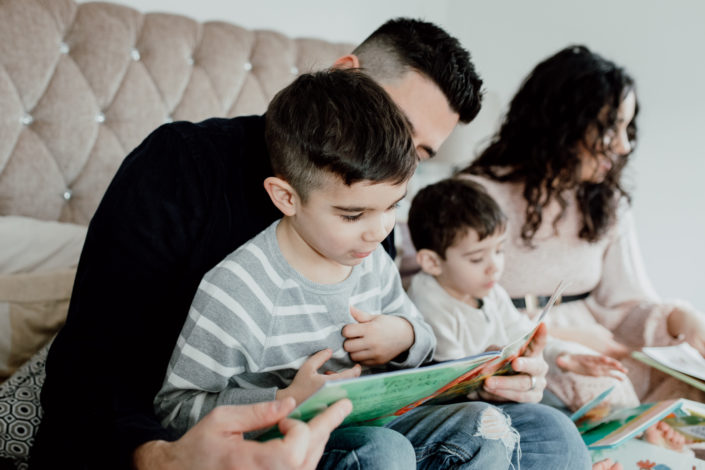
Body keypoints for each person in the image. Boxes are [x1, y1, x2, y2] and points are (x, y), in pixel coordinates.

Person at [31, 19, 589, 470]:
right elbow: (95, 372)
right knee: (382, 452)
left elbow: (386, 353)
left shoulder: (376, 212)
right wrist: (163, 457)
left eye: (417, 156)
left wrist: (477, 382)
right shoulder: (180, 166)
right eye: (394, 125)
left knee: (549, 433)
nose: (394, 166)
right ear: (345, 75)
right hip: (216, 436)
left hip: (352, 422)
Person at [156, 67, 533, 469]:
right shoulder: (238, 290)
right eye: (353, 215)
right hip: (296, 445)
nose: (378, 231)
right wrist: (284, 401)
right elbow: (175, 411)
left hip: (378, 424)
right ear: (286, 197)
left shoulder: (371, 262)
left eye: (392, 206)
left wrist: (403, 336)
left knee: (489, 424)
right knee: (383, 452)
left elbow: (421, 339)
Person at [459, 44, 705, 408]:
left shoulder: (607, 202)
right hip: (521, 349)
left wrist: (680, 318)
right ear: (563, 122)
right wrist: (567, 336)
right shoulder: (475, 197)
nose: (622, 146)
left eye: (627, 127)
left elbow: (624, 306)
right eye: (610, 127)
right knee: (603, 390)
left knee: (694, 382)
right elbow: (450, 308)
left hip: (602, 345)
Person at [406, 177, 637, 411]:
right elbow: (450, 383)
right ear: (432, 262)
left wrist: (567, 358)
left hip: (496, 391)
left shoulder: (490, 291)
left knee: (568, 402)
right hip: (459, 406)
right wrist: (485, 368)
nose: (494, 266)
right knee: (550, 411)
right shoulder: (428, 302)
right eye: (477, 258)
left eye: (499, 250)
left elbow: (522, 336)